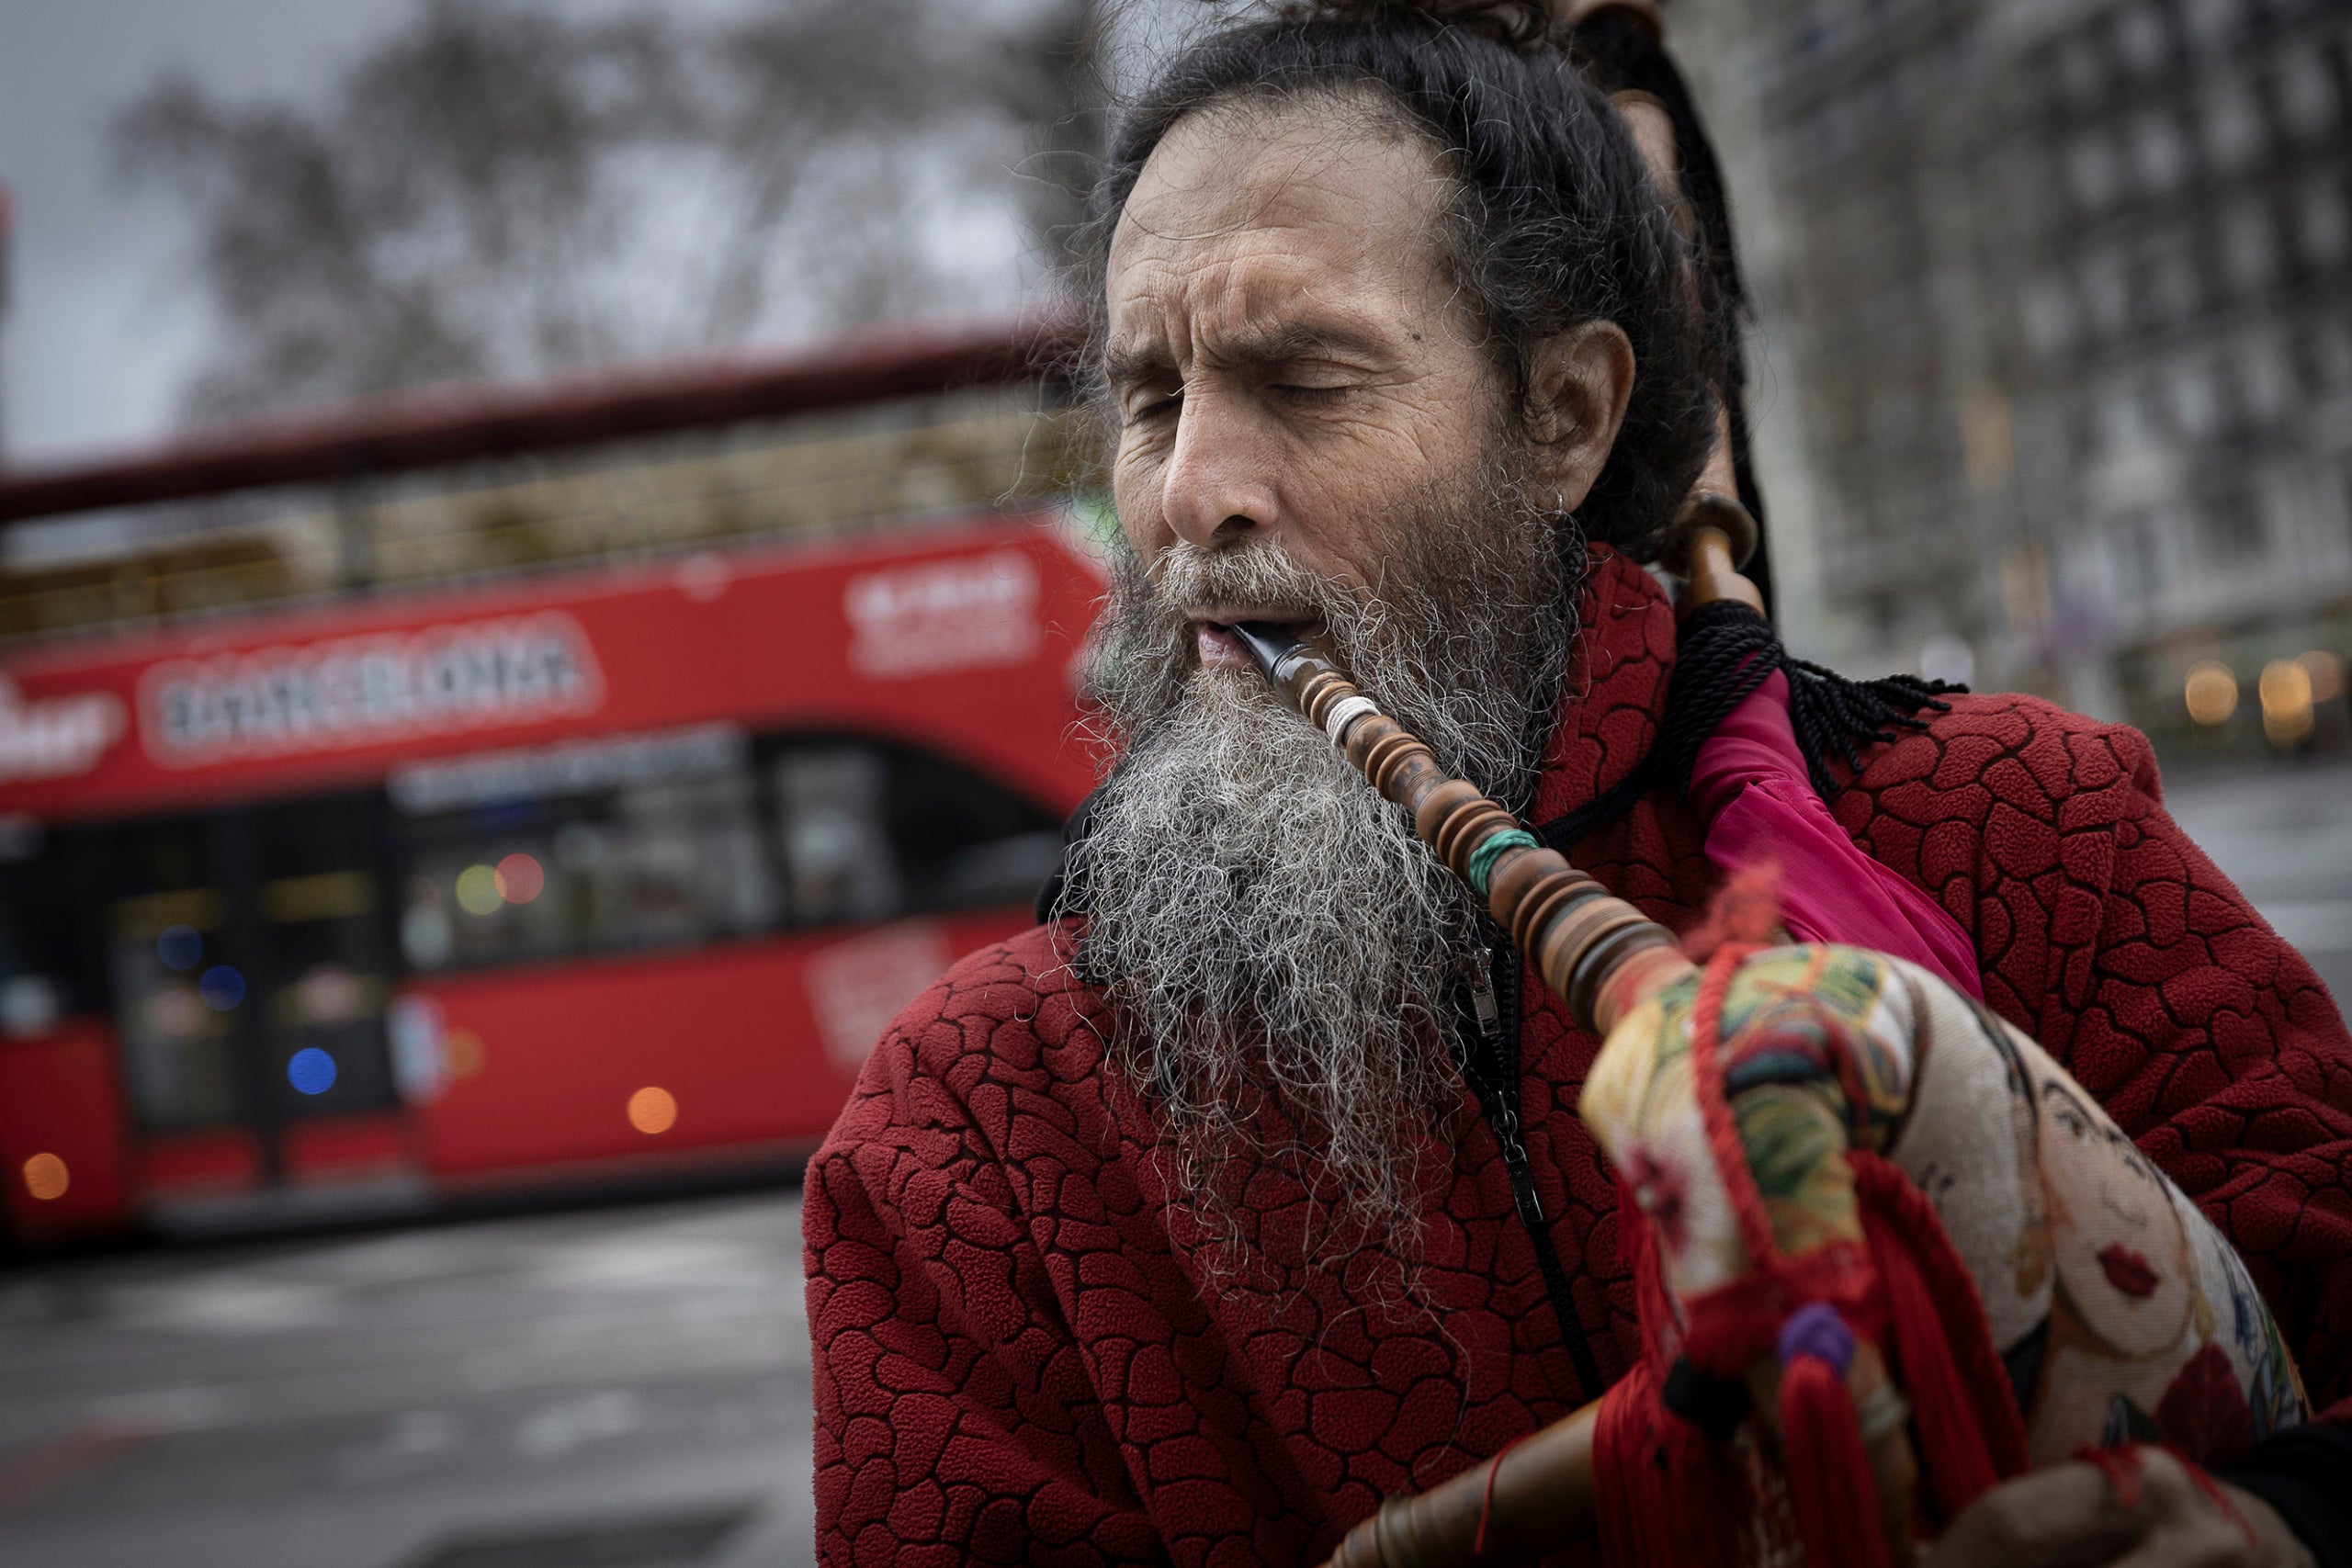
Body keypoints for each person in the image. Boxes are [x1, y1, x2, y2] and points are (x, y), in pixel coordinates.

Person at [801, 4, 2352, 1563]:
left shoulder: (2014, 830)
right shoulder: (973, 1126)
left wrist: (2285, 1524)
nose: (1191, 494)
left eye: (1305, 380)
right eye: (1151, 401)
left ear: (1565, 418)